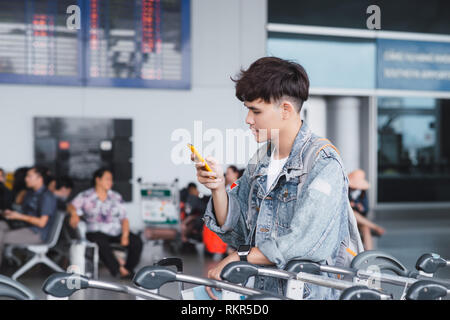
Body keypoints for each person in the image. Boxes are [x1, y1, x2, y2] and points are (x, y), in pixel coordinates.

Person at [192, 57, 363, 299]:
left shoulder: (323, 162)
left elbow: (305, 243)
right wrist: (218, 187)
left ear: (285, 110)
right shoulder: (262, 159)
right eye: (248, 110)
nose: (248, 120)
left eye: (256, 111)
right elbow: (239, 230)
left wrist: (240, 257)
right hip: (261, 289)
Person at [67, 168, 143, 279]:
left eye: (111, 180)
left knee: (136, 242)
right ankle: (118, 270)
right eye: (107, 179)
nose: (110, 182)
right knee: (100, 242)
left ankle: (128, 269)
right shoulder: (86, 196)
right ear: (98, 180)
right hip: (95, 231)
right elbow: (71, 205)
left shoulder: (116, 197)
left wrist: (125, 235)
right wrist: (74, 214)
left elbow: (124, 218)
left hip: (115, 230)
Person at [0, 166, 57, 267]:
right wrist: (11, 213)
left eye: (29, 176)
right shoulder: (30, 193)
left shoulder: (46, 196)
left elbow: (41, 222)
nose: (26, 179)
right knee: (1, 224)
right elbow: (24, 212)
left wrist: (18, 216)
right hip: (23, 227)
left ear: (40, 178)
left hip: (36, 233)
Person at [348, 169, 385, 250]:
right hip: (347, 218)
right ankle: (375, 227)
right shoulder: (345, 190)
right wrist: (351, 204)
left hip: (359, 220)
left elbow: (366, 209)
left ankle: (368, 252)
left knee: (365, 229)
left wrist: (361, 207)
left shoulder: (362, 193)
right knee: (352, 213)